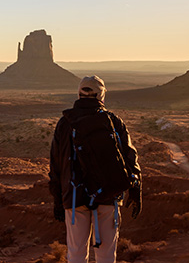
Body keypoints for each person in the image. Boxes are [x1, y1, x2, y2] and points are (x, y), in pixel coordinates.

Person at [49, 75, 141, 263]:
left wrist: (58, 201)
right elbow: (131, 158)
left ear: (79, 94)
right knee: (107, 255)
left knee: (76, 254)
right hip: (108, 196)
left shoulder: (64, 123)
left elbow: (55, 166)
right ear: (101, 96)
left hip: (75, 198)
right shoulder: (113, 121)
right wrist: (135, 189)